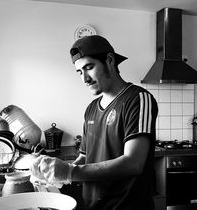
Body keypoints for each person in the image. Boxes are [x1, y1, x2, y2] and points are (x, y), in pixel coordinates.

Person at [31, 35, 158, 210]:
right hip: (93, 206)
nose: (85, 79)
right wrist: (56, 172)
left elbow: (133, 163)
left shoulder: (137, 99)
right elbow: (85, 156)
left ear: (110, 60)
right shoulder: (91, 109)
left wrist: (70, 172)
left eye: (89, 67)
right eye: (79, 72)